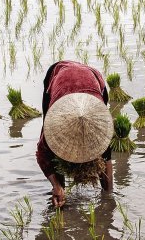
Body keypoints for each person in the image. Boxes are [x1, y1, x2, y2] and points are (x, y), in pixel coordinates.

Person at [36, 61, 114, 208]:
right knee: (53, 150)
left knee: (102, 148)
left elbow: (106, 156)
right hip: (59, 74)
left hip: (93, 77)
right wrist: (56, 185)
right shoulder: (54, 123)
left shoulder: (101, 125)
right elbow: (42, 155)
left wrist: (108, 197)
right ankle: (60, 191)